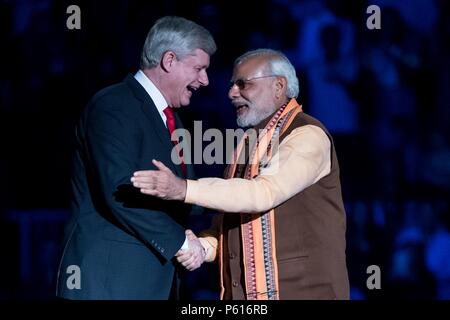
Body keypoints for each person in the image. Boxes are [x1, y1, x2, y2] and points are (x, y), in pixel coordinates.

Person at [131, 49, 349, 300]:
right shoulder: (247, 143)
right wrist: (203, 247)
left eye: (243, 84)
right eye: (232, 85)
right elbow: (232, 219)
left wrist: (183, 189)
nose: (232, 93)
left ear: (279, 86)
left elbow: (262, 193)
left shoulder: (308, 135)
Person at [56, 16, 216, 299]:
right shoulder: (114, 105)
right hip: (109, 284)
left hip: (153, 282)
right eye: (199, 68)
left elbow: (183, 195)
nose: (204, 80)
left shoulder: (173, 119)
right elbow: (120, 190)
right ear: (169, 60)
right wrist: (180, 242)